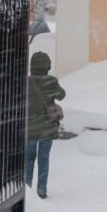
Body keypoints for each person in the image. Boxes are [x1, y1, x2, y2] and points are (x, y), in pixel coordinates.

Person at [25, 50, 66, 197]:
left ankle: (27, 189)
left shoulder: (26, 81)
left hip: (29, 127)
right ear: (47, 66)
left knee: (28, 160)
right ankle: (42, 190)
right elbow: (61, 95)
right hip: (47, 128)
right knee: (43, 159)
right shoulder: (51, 81)